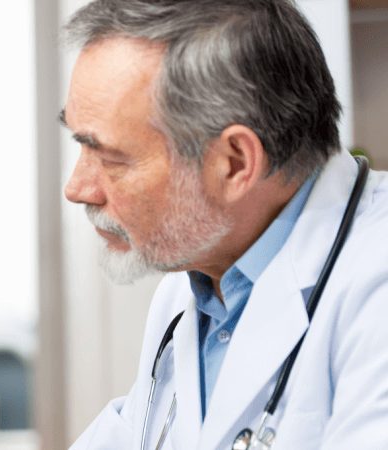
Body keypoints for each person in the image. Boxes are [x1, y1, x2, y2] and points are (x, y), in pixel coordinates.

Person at [60, 0, 388, 449]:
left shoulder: (375, 286)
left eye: (111, 158)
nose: (77, 188)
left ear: (234, 164)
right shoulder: (197, 283)